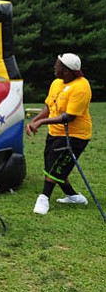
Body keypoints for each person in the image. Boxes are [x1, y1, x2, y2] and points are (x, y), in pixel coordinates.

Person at [26, 53, 92, 215]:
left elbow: (69, 117)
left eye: (58, 66)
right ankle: (73, 196)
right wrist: (35, 120)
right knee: (52, 166)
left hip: (75, 136)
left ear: (67, 71)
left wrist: (41, 123)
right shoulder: (56, 83)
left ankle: (44, 198)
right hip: (55, 133)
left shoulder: (81, 87)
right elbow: (49, 107)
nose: (55, 68)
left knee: (56, 168)